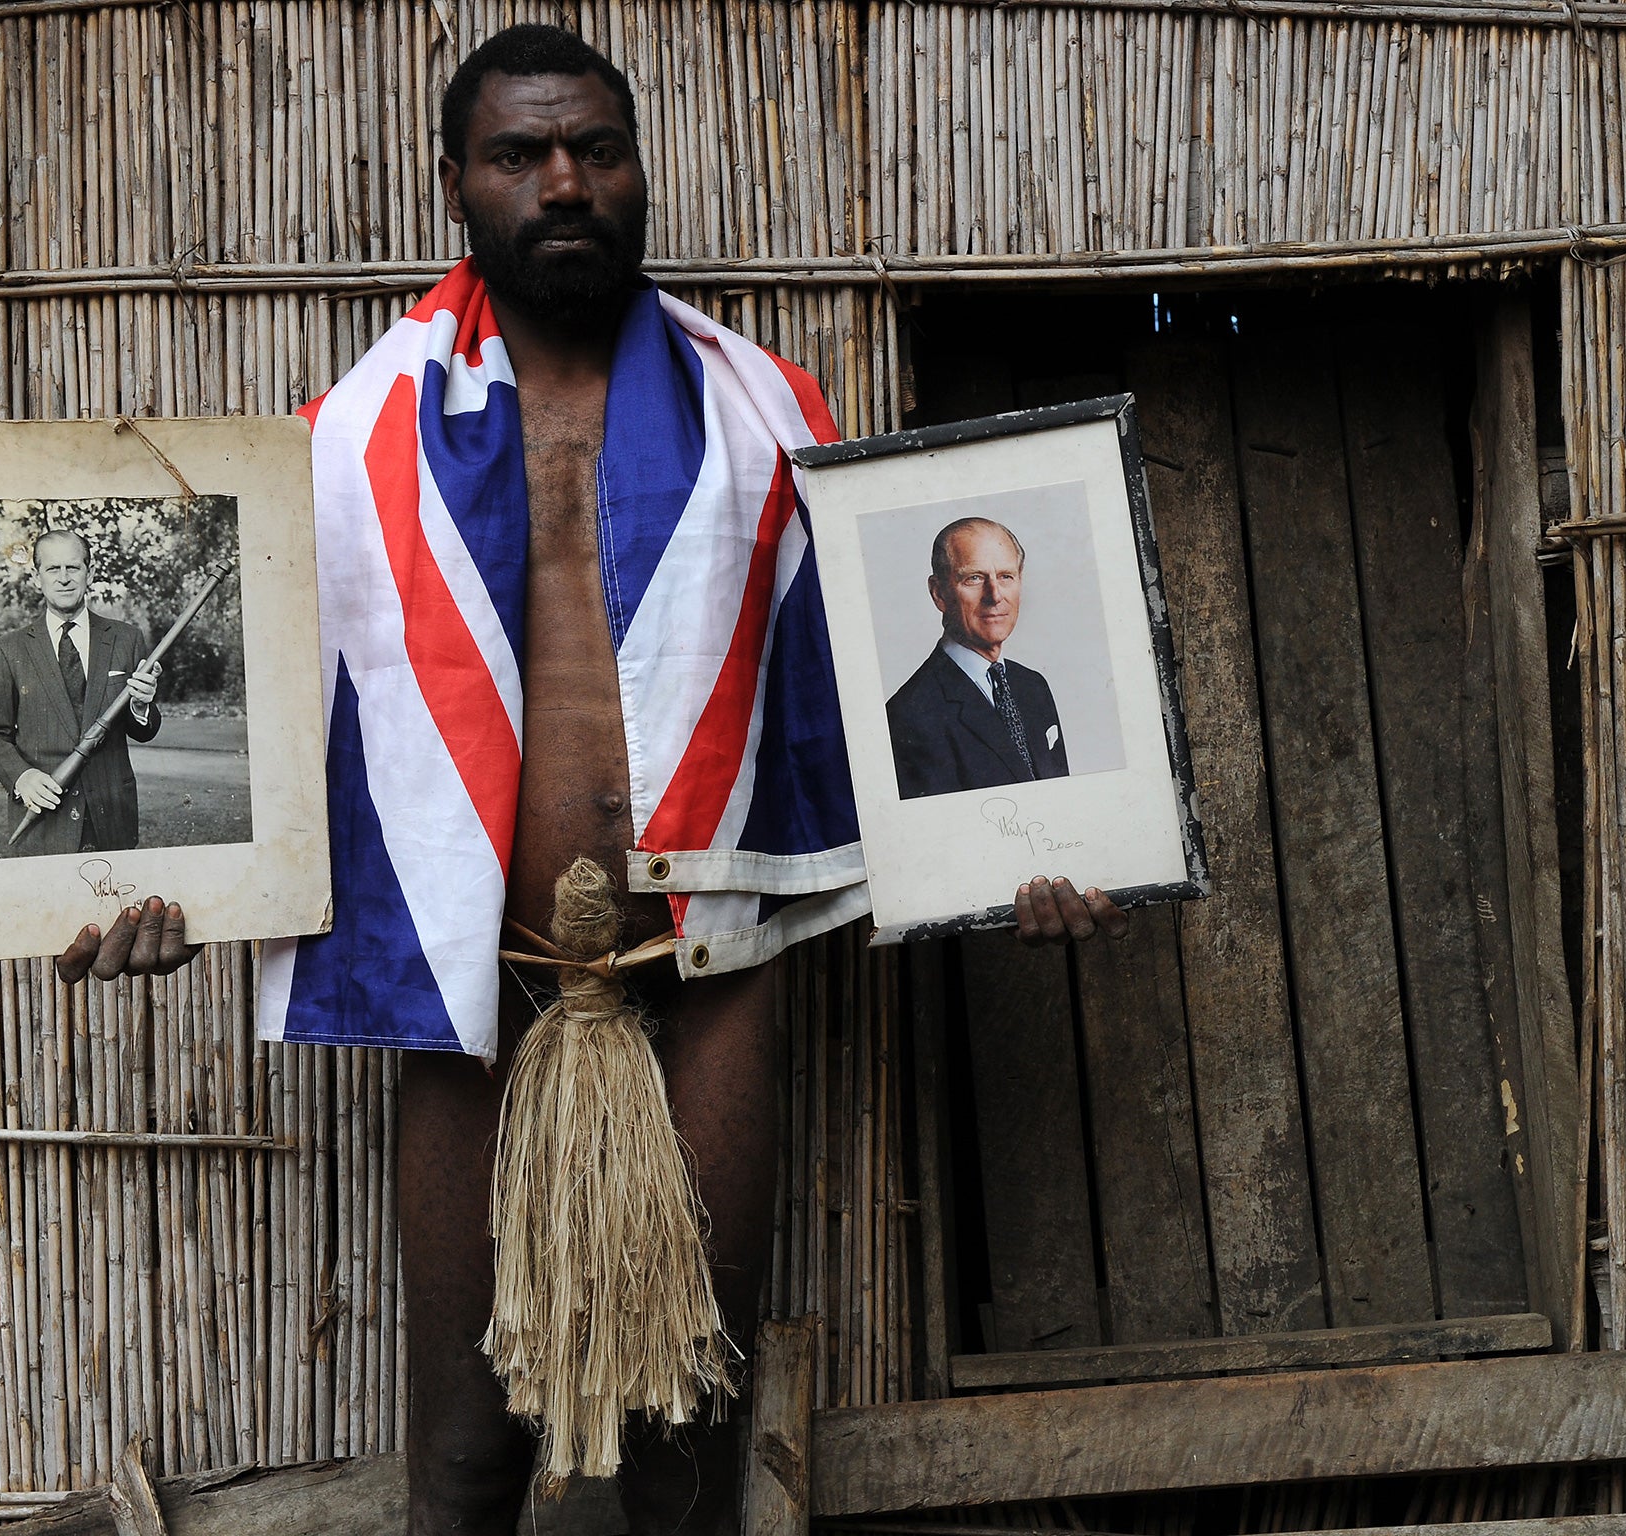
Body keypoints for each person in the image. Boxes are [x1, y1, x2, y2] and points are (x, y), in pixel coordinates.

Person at [57, 27, 1129, 1536]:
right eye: (518, 155)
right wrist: (128, 885)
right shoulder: (347, 440)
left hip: (705, 976)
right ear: (455, 186)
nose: (564, 184)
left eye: (595, 150)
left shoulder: (767, 413)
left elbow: (871, 703)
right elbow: (244, 723)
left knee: (691, 1458)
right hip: (478, 990)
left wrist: (1025, 845)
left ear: (636, 169)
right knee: (464, 1463)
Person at [0, 528, 163, 856]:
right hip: (44, 820)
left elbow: (143, 730)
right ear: (37, 578)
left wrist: (141, 706)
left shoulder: (126, 639)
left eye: (73, 567)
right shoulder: (7, 650)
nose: (63, 578)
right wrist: (22, 778)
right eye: (52, 569)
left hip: (112, 819)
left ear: (89, 573)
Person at [886, 517, 1069, 799]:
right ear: (939, 593)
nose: (995, 596)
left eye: (1006, 576)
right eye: (974, 578)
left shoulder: (1033, 686)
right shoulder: (910, 714)